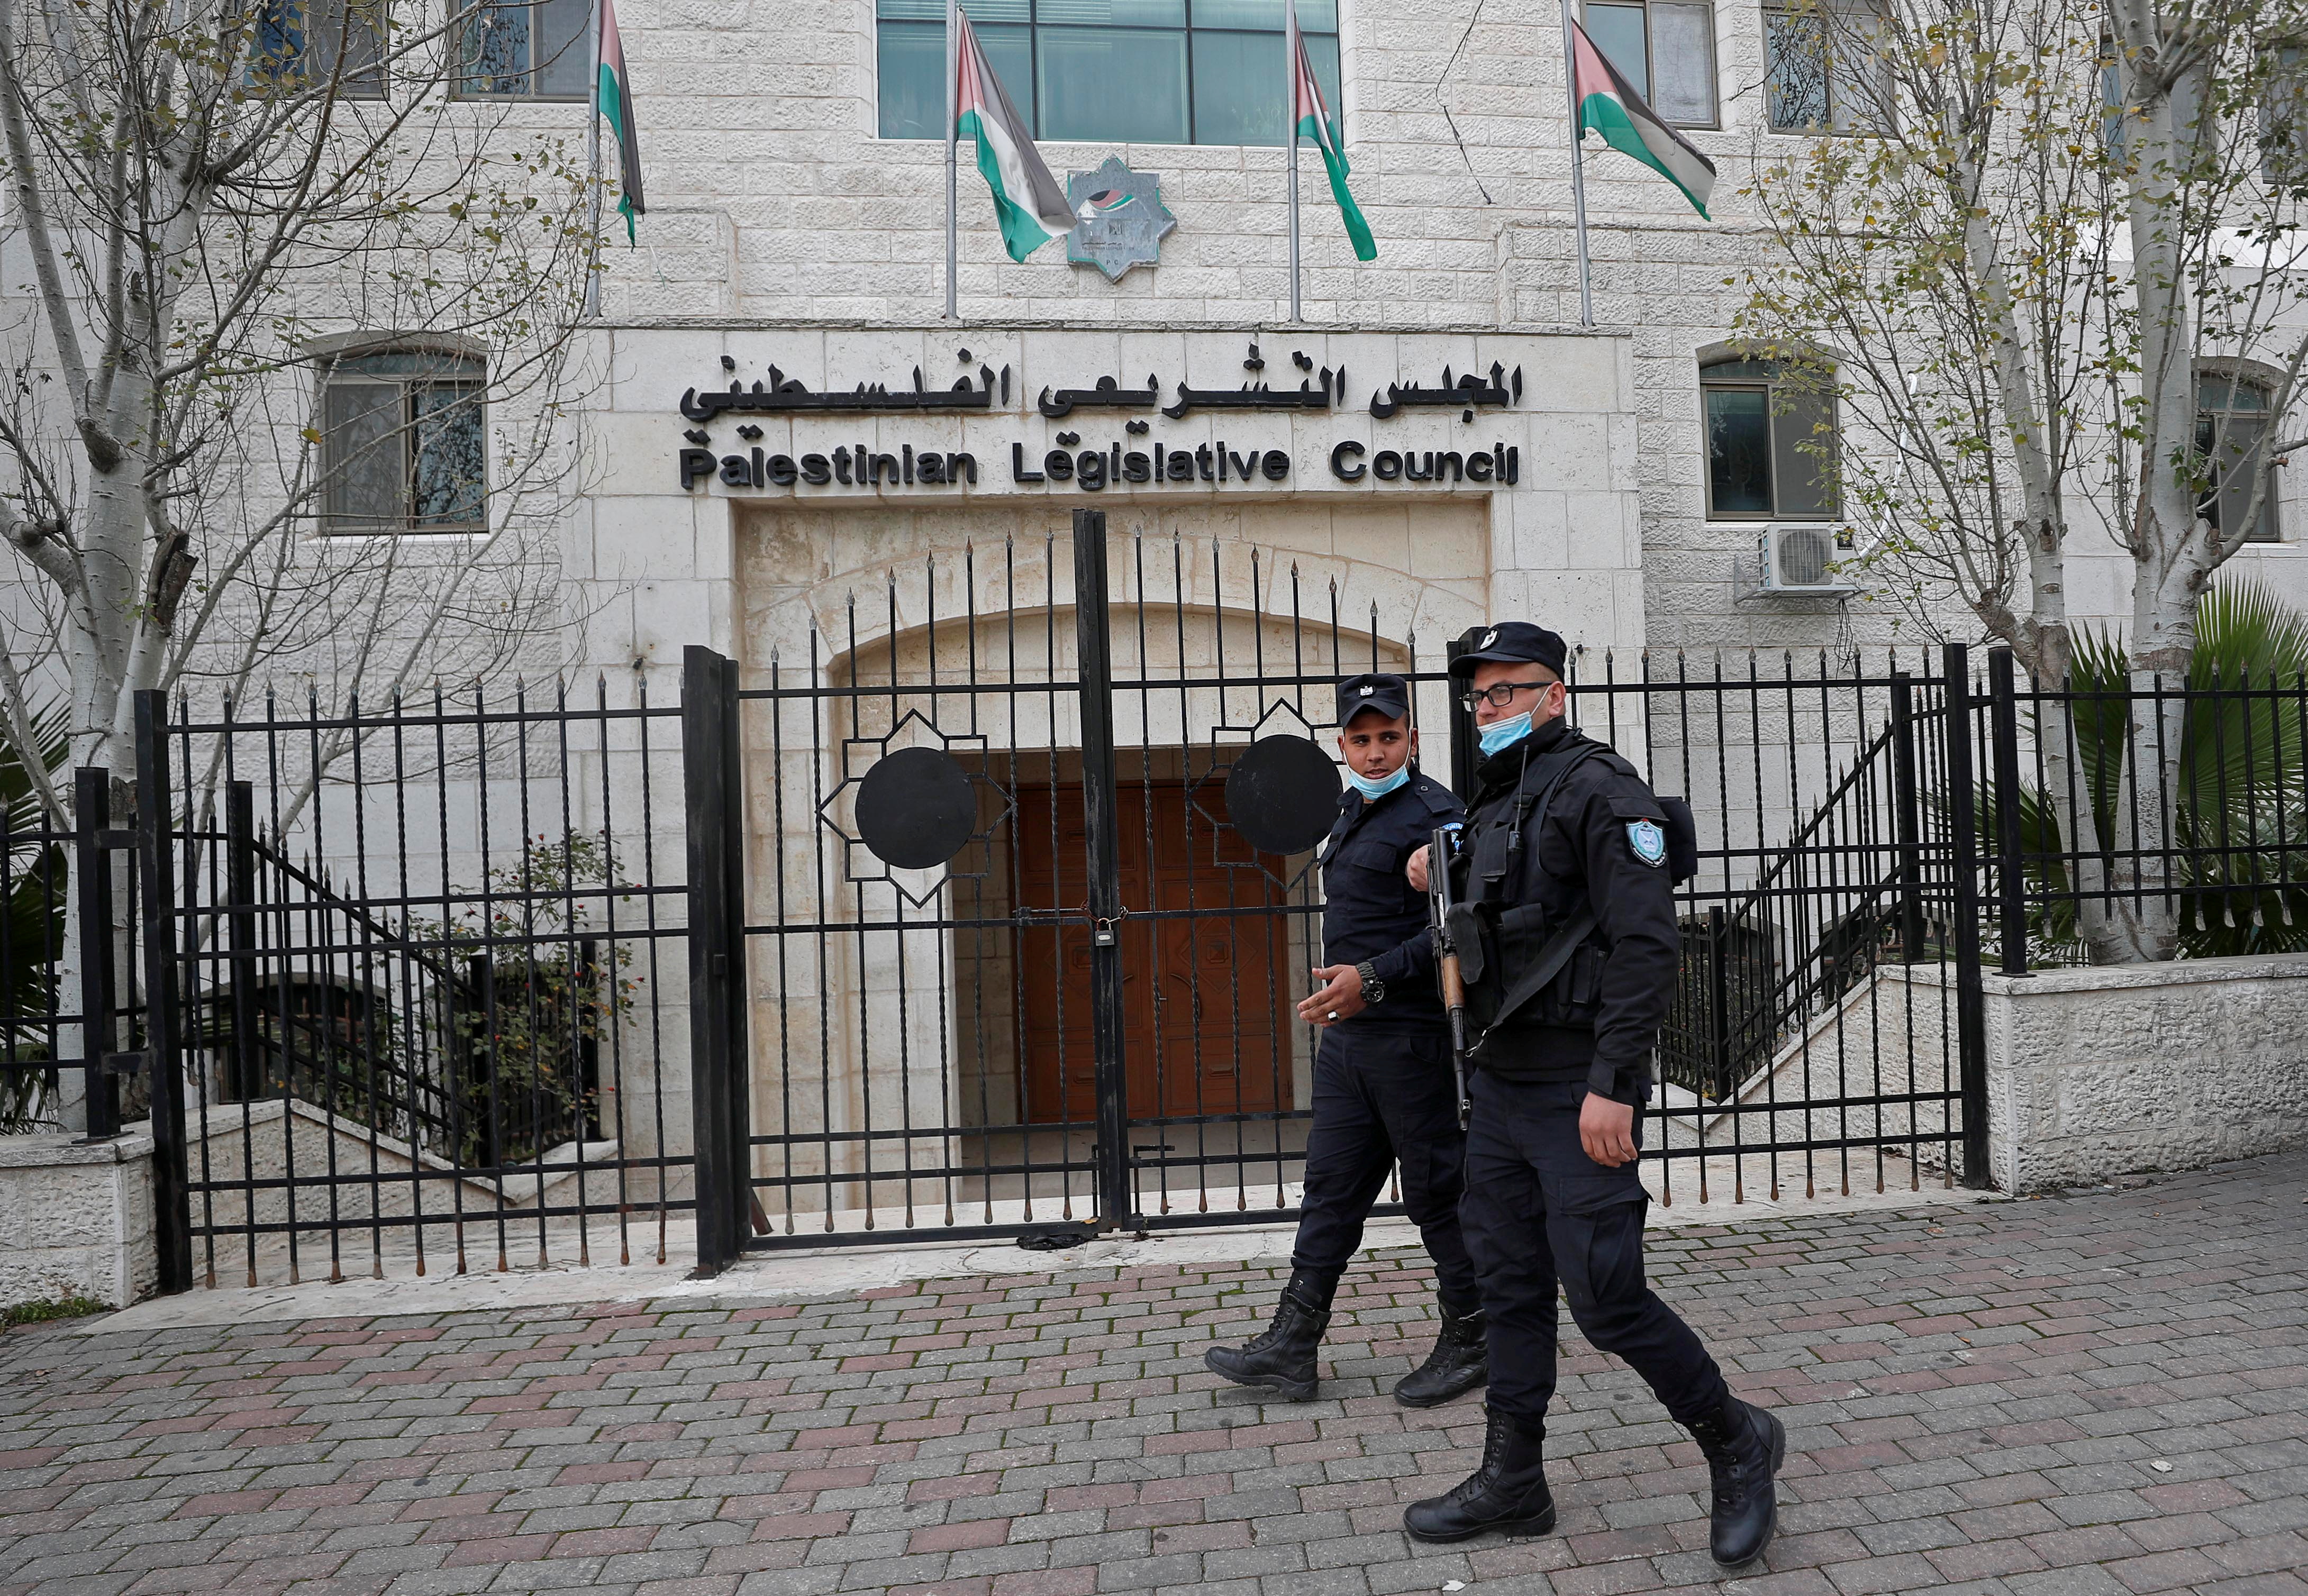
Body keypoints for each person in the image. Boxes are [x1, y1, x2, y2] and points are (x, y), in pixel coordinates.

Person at [1397, 622, 1785, 1570]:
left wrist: (1614, 1085)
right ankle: (1512, 1480)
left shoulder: (1603, 791)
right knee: (1509, 1286)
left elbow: (1647, 946)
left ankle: (1737, 1443)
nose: (1487, 710)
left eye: (1505, 692)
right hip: (1500, 1084)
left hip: (1579, 1091)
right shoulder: (1496, 802)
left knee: (1606, 1297)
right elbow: (1497, 931)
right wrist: (1431, 876)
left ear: (1554, 693)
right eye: (1477, 697)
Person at [1204, 671, 1484, 1408]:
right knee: (1329, 1193)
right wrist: (1352, 989)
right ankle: (1293, 1346)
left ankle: (1474, 1338)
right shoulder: (1349, 810)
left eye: (1387, 736)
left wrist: (1372, 978)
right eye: (1360, 739)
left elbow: (1454, 932)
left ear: (1412, 738)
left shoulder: (1439, 815)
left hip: (1412, 1041)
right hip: (1351, 1045)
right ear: (1341, 746)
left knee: (1435, 1197)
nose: (1374, 751)